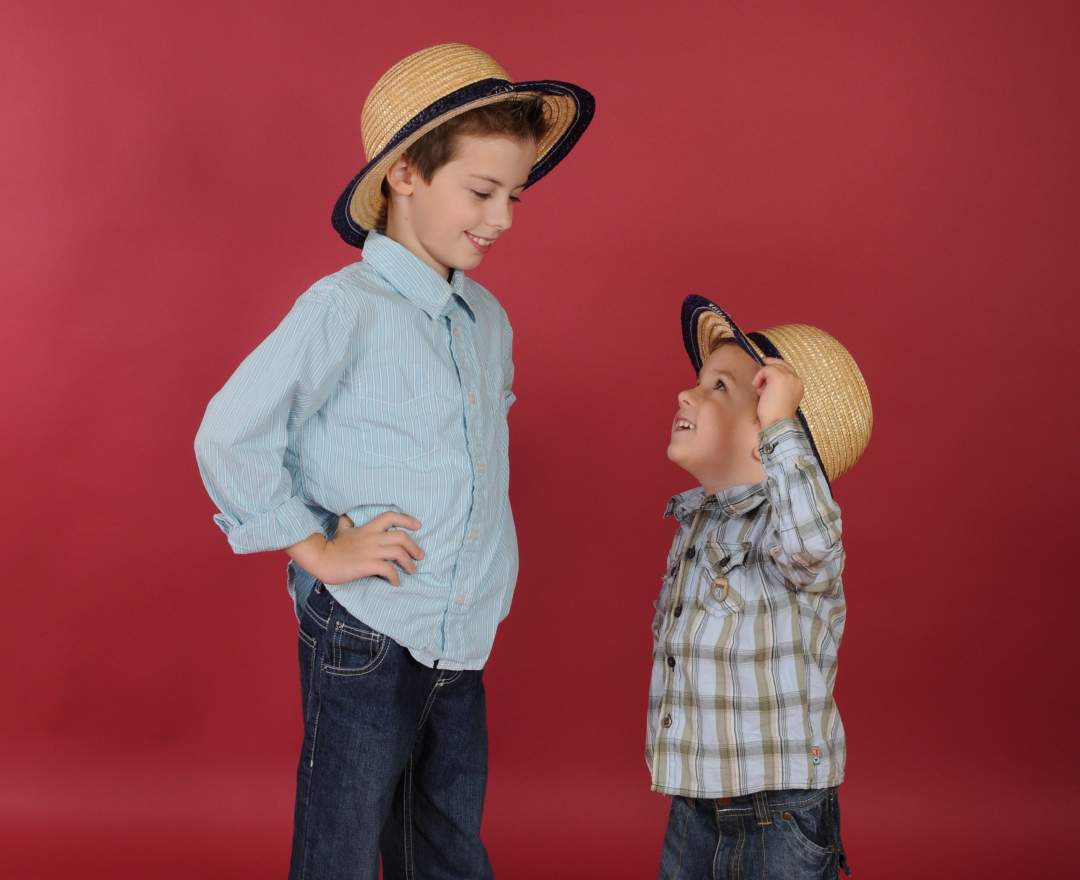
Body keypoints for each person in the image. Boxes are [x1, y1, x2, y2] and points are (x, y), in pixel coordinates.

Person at [194, 42, 593, 880]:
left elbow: (472, 454)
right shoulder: (345, 307)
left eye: (515, 195)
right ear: (406, 174)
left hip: (460, 629)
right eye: (482, 192)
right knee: (341, 840)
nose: (504, 218)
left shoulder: (485, 318)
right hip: (367, 627)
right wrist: (320, 548)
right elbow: (231, 432)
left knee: (442, 840)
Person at [648, 295, 872, 879]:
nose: (687, 395)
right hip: (698, 796)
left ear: (774, 439)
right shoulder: (699, 521)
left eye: (721, 387)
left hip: (780, 812)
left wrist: (779, 422)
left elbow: (813, 546)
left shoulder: (793, 525)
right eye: (700, 381)